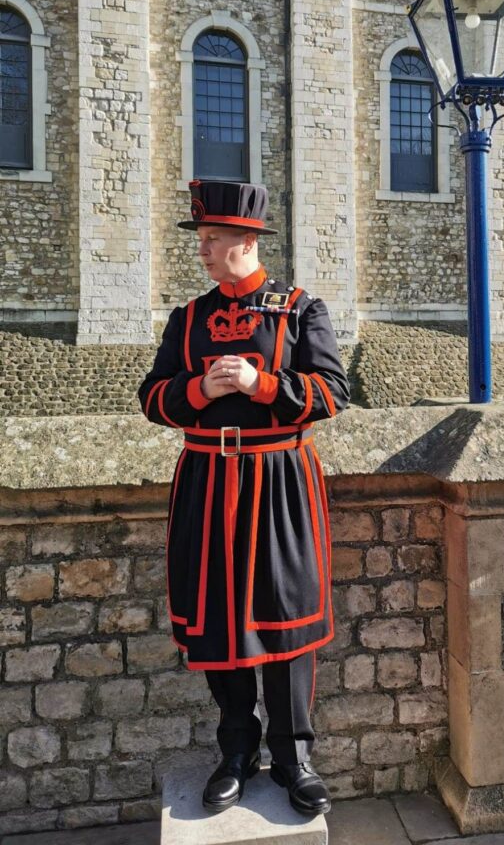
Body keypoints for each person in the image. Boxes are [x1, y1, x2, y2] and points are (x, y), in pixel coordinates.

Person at [138, 179, 350, 817]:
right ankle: (236, 751)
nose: (201, 251)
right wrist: (198, 391)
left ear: (246, 240)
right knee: (220, 619)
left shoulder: (301, 310)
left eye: (211, 240)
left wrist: (262, 384)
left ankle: (293, 756)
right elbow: (153, 398)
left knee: (285, 617)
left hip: (279, 479)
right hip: (206, 478)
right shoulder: (189, 319)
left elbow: (333, 391)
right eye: (201, 240)